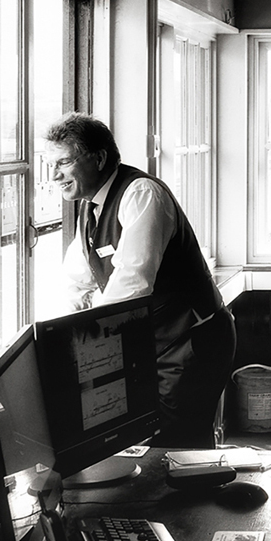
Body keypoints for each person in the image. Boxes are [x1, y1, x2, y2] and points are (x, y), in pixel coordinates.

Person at [43, 113, 236, 449]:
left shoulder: (142, 194)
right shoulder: (89, 209)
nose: (55, 175)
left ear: (99, 158)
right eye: (51, 164)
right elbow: (76, 280)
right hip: (155, 345)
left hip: (191, 342)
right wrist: (58, 335)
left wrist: (85, 339)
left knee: (178, 445)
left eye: (63, 162)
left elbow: (132, 283)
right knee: (154, 443)